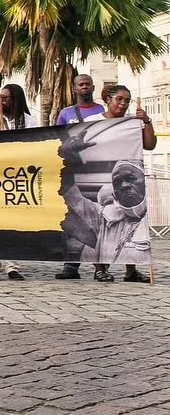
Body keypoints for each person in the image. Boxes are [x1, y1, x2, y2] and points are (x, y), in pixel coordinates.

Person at [64, 85, 156, 283]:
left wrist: (146, 121)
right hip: (101, 176)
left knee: (134, 224)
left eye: (127, 100)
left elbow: (149, 145)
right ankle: (100, 269)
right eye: (119, 99)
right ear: (108, 99)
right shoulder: (91, 123)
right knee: (101, 223)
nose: (123, 104)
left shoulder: (133, 122)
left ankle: (131, 271)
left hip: (129, 173)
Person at [0, 83, 38, 281]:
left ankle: (13, 265)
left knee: (15, 224)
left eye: (5, 98)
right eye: (0, 97)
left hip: (18, 180)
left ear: (15, 99)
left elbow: (34, 148)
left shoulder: (30, 122)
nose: (1, 101)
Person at [55, 74, 106, 279]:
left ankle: (100, 266)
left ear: (93, 87)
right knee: (72, 217)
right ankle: (71, 264)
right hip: (72, 173)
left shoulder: (102, 111)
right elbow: (57, 139)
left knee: (98, 216)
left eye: (87, 84)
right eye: (80, 84)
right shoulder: (65, 113)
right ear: (74, 88)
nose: (84, 87)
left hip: (97, 170)